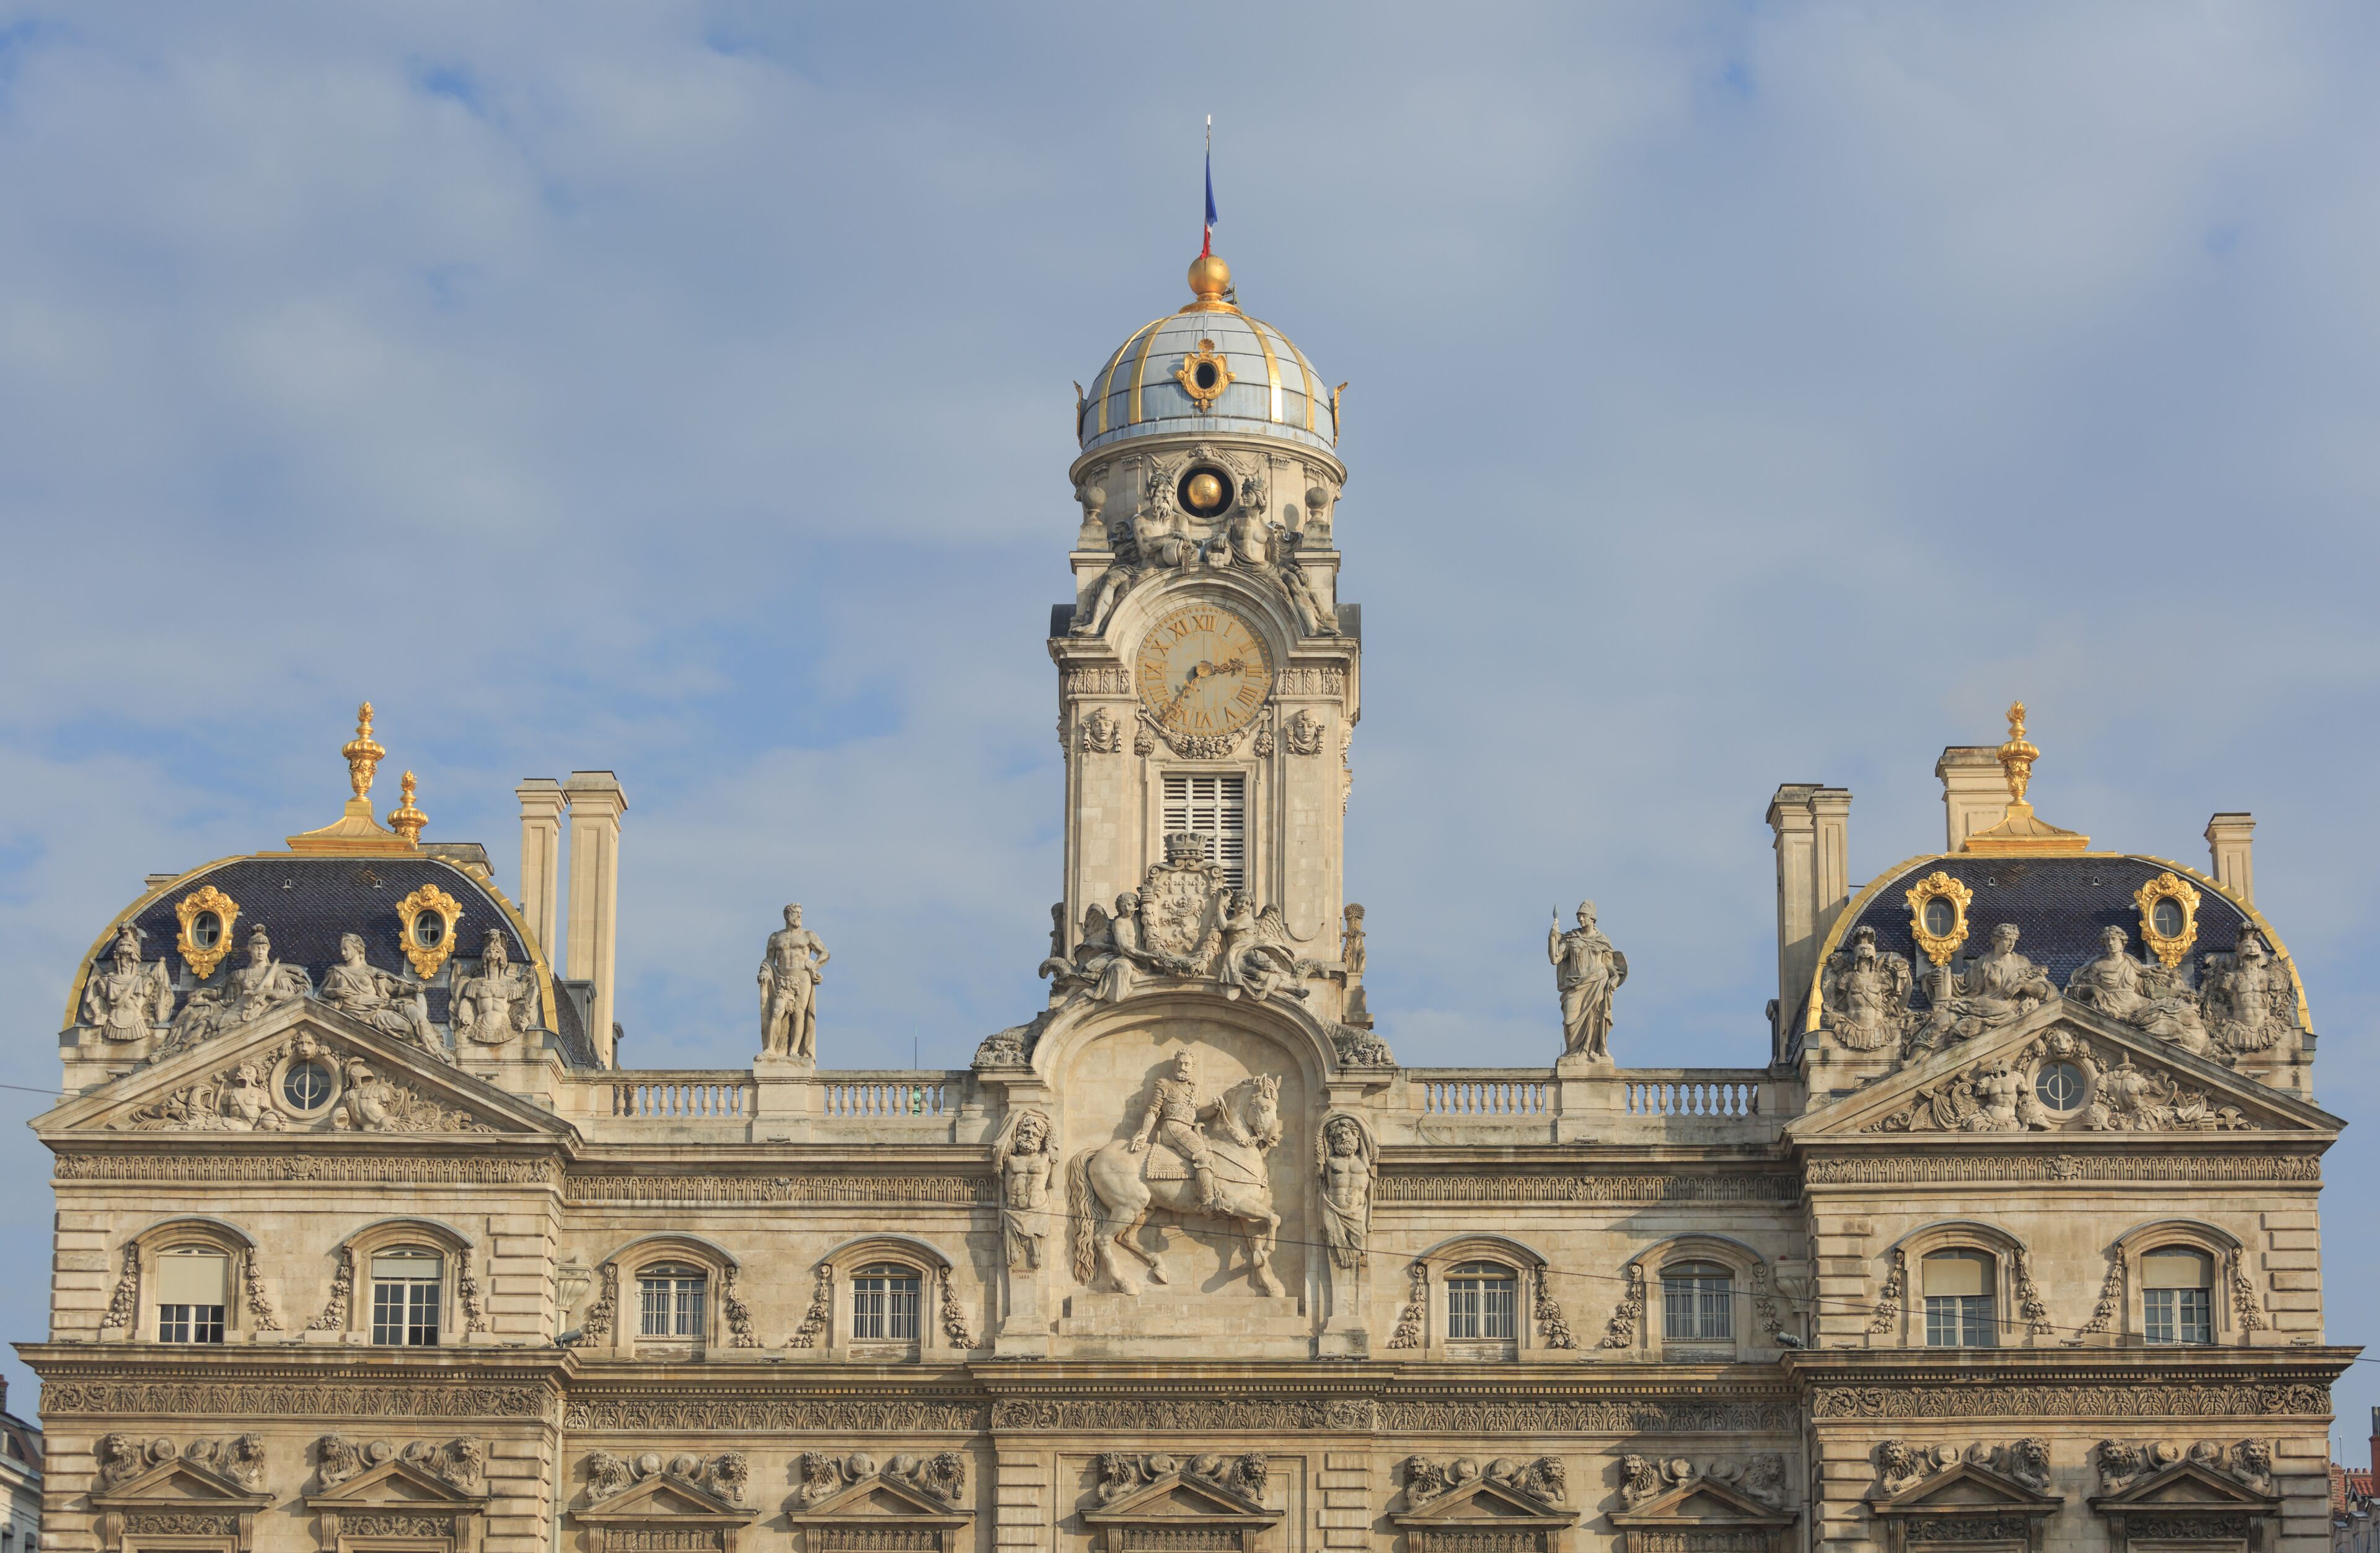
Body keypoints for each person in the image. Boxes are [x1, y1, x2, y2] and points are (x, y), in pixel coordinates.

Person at [320, 932, 447, 1060]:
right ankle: (421, 1050)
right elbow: (324, 992)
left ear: (357, 949)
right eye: (342, 949)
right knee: (405, 1027)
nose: (342, 953)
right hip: (361, 1010)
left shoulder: (370, 971)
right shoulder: (338, 971)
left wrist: (412, 988)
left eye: (346, 949)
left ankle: (437, 1051)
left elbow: (392, 988)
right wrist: (336, 992)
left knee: (413, 1010)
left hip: (378, 1003)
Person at [1127, 1050, 1223, 1209]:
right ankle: (1209, 1204)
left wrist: (1214, 1109)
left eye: (1187, 1064)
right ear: (1175, 1064)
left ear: (1192, 1067)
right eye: (1179, 1063)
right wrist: (1144, 1133)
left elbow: (1196, 1116)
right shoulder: (1164, 1085)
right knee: (1203, 1156)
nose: (1182, 1067)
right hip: (1172, 1128)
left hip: (1189, 1129)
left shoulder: (1194, 1088)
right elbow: (1153, 1110)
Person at [1548, 901, 1627, 1060]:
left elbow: (1609, 966)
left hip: (1598, 982)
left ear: (1592, 918)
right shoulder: (1571, 939)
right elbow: (1555, 959)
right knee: (1570, 1023)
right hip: (1575, 986)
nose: (1580, 920)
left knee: (1596, 1018)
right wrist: (1552, 938)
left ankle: (1593, 1051)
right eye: (1579, 917)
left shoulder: (1602, 941)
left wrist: (1615, 978)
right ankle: (1573, 1053)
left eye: (1583, 916)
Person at [758, 905, 831, 1058]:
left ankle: (794, 1050)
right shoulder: (776, 937)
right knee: (777, 1012)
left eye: (800, 913)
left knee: (799, 1014)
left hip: (803, 978)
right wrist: (765, 971)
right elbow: (769, 960)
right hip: (782, 979)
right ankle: (771, 1048)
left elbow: (825, 953)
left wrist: (815, 965)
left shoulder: (808, 935)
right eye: (796, 913)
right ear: (787, 915)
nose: (799, 916)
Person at [1316, 1116, 1372, 1268]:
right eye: (1339, 1136)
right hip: (1333, 1210)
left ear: (1355, 1135)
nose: (1344, 1137)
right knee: (1341, 1261)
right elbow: (1321, 1144)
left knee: (1356, 1261)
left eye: (1347, 1133)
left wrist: (1370, 1218)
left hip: (1358, 1213)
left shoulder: (1364, 1162)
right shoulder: (1330, 1161)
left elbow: (1370, 1190)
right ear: (1334, 1141)